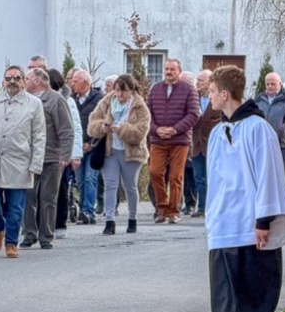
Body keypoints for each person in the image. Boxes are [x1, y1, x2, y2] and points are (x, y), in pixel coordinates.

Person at [203, 65, 285, 312]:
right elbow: (215, 178)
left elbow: (268, 174)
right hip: (225, 219)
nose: (209, 96)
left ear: (225, 93)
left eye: (213, 91)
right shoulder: (218, 132)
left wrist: (263, 220)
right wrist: (212, 216)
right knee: (224, 285)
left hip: (251, 218)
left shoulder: (258, 129)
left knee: (256, 280)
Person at [0, 66, 46, 259]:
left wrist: (36, 163)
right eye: (8, 78)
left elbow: (39, 135)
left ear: (23, 81)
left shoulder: (33, 104)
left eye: (17, 78)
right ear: (3, 81)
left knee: (16, 206)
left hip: (19, 161)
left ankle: (11, 242)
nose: (12, 81)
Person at [87, 74, 151, 235]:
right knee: (110, 184)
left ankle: (132, 218)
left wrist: (122, 129)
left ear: (131, 90)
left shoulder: (140, 106)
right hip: (110, 150)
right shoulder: (107, 102)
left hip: (131, 151)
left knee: (130, 186)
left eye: (124, 91)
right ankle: (109, 221)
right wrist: (102, 127)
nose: (120, 95)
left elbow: (140, 132)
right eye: (117, 91)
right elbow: (92, 123)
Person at [21, 68, 72, 250]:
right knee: (27, 196)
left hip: (51, 156)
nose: (22, 81)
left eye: (26, 78)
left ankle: (46, 235)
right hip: (27, 156)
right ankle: (29, 233)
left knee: (48, 197)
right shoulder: (24, 100)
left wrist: (65, 155)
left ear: (38, 81)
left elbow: (66, 129)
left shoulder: (55, 100)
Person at [146, 59, 200, 224]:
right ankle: (161, 208)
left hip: (179, 140)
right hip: (158, 139)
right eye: (166, 69)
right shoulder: (155, 89)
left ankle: (174, 211)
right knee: (155, 172)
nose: (168, 72)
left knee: (176, 176)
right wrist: (156, 129)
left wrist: (175, 129)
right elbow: (147, 114)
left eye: (172, 69)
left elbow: (193, 114)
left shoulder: (189, 90)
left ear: (179, 71)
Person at [252, 72, 285, 194]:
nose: (270, 86)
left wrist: (283, 129)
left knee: (278, 172)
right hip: (262, 141)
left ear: (280, 84)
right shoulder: (260, 98)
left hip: (280, 141)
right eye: (267, 84)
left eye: (273, 84)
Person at [52, 69, 84, 239]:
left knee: (62, 188)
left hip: (61, 152)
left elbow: (75, 128)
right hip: (44, 151)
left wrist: (74, 154)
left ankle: (60, 223)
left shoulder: (67, 101)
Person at [70, 70, 103, 225]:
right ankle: (83, 210)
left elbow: (103, 123)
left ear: (86, 83)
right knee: (80, 180)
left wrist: (91, 143)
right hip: (77, 147)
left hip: (93, 147)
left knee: (90, 178)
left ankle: (88, 211)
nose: (72, 83)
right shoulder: (71, 100)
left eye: (76, 81)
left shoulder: (99, 100)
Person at [189, 70, 221, 219]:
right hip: (196, 145)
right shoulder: (193, 99)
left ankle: (214, 206)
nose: (197, 83)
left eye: (201, 80)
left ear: (210, 81)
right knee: (199, 177)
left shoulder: (218, 99)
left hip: (213, 145)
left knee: (213, 177)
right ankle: (202, 207)